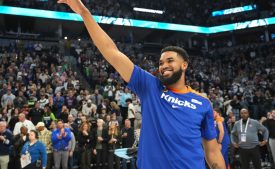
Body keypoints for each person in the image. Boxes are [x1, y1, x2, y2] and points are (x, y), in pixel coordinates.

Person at [57, 0, 225, 168]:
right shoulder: (150, 87)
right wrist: (84, 13)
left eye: (170, 60)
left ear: (184, 65)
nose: (164, 65)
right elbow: (111, 52)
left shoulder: (203, 103)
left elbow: (212, 152)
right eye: (160, 62)